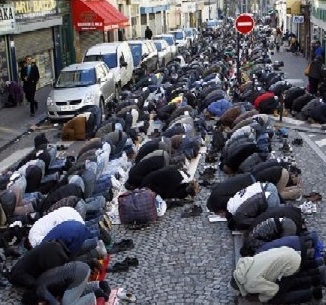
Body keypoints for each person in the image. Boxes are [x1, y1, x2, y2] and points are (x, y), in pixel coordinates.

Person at [21, 261, 110, 305]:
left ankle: (93, 296)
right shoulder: (39, 282)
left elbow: (56, 303)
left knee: (67, 303)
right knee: (72, 293)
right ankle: (98, 285)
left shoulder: (41, 291)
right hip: (79, 267)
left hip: (77, 275)